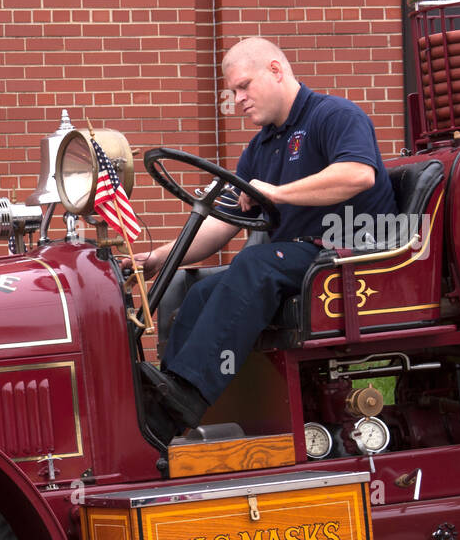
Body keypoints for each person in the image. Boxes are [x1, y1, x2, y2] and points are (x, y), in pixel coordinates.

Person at [134, 37, 398, 444]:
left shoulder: (335, 115)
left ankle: (188, 394)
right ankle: (169, 397)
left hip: (352, 254)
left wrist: (277, 192)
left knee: (254, 263)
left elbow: (358, 174)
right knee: (202, 291)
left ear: (276, 71)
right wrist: (157, 259)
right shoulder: (260, 148)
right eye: (233, 92)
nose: (237, 99)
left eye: (244, 86)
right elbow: (221, 225)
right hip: (300, 257)